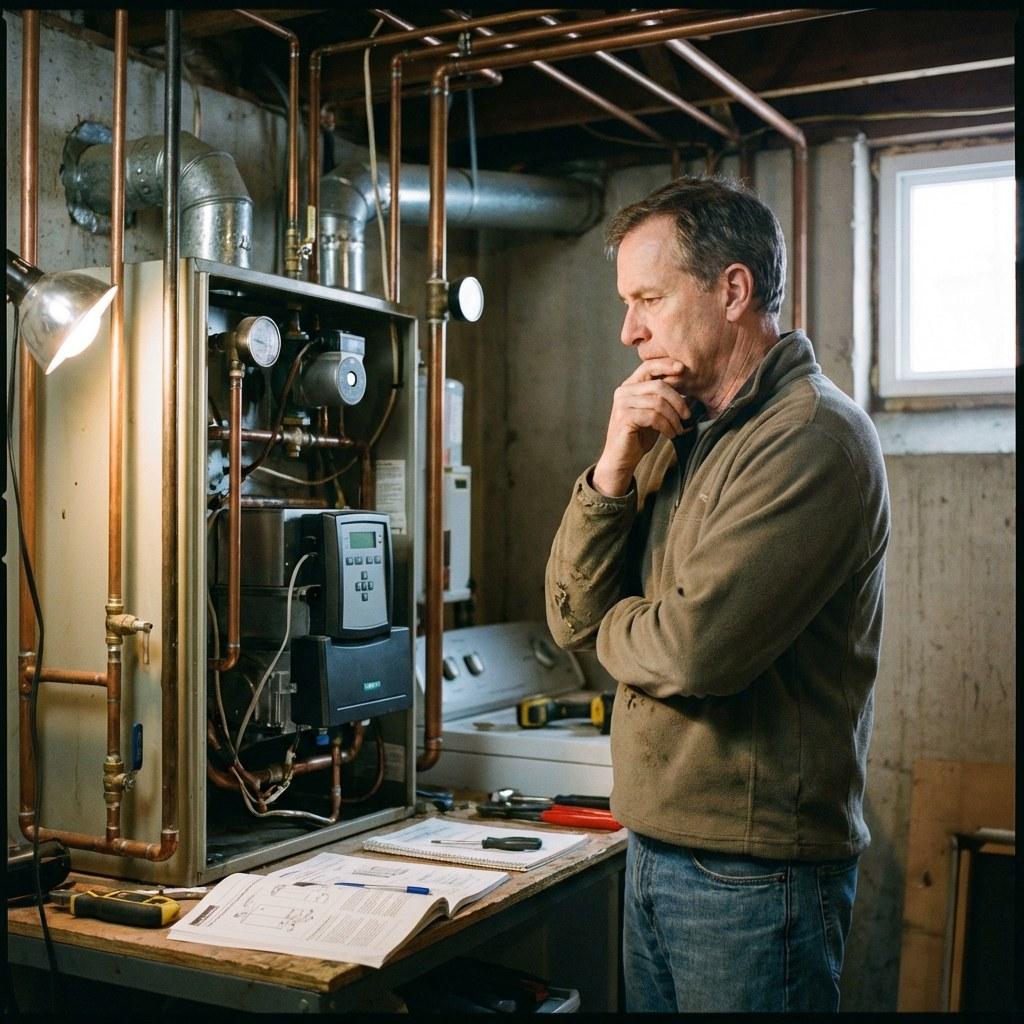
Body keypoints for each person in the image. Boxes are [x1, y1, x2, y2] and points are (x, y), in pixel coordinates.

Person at [544, 175, 890, 1013]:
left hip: (755, 875)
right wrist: (613, 464)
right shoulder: (675, 429)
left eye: (650, 299)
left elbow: (697, 651)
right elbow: (565, 614)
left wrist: (612, 631)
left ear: (733, 290)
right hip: (657, 847)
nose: (630, 330)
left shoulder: (810, 439)